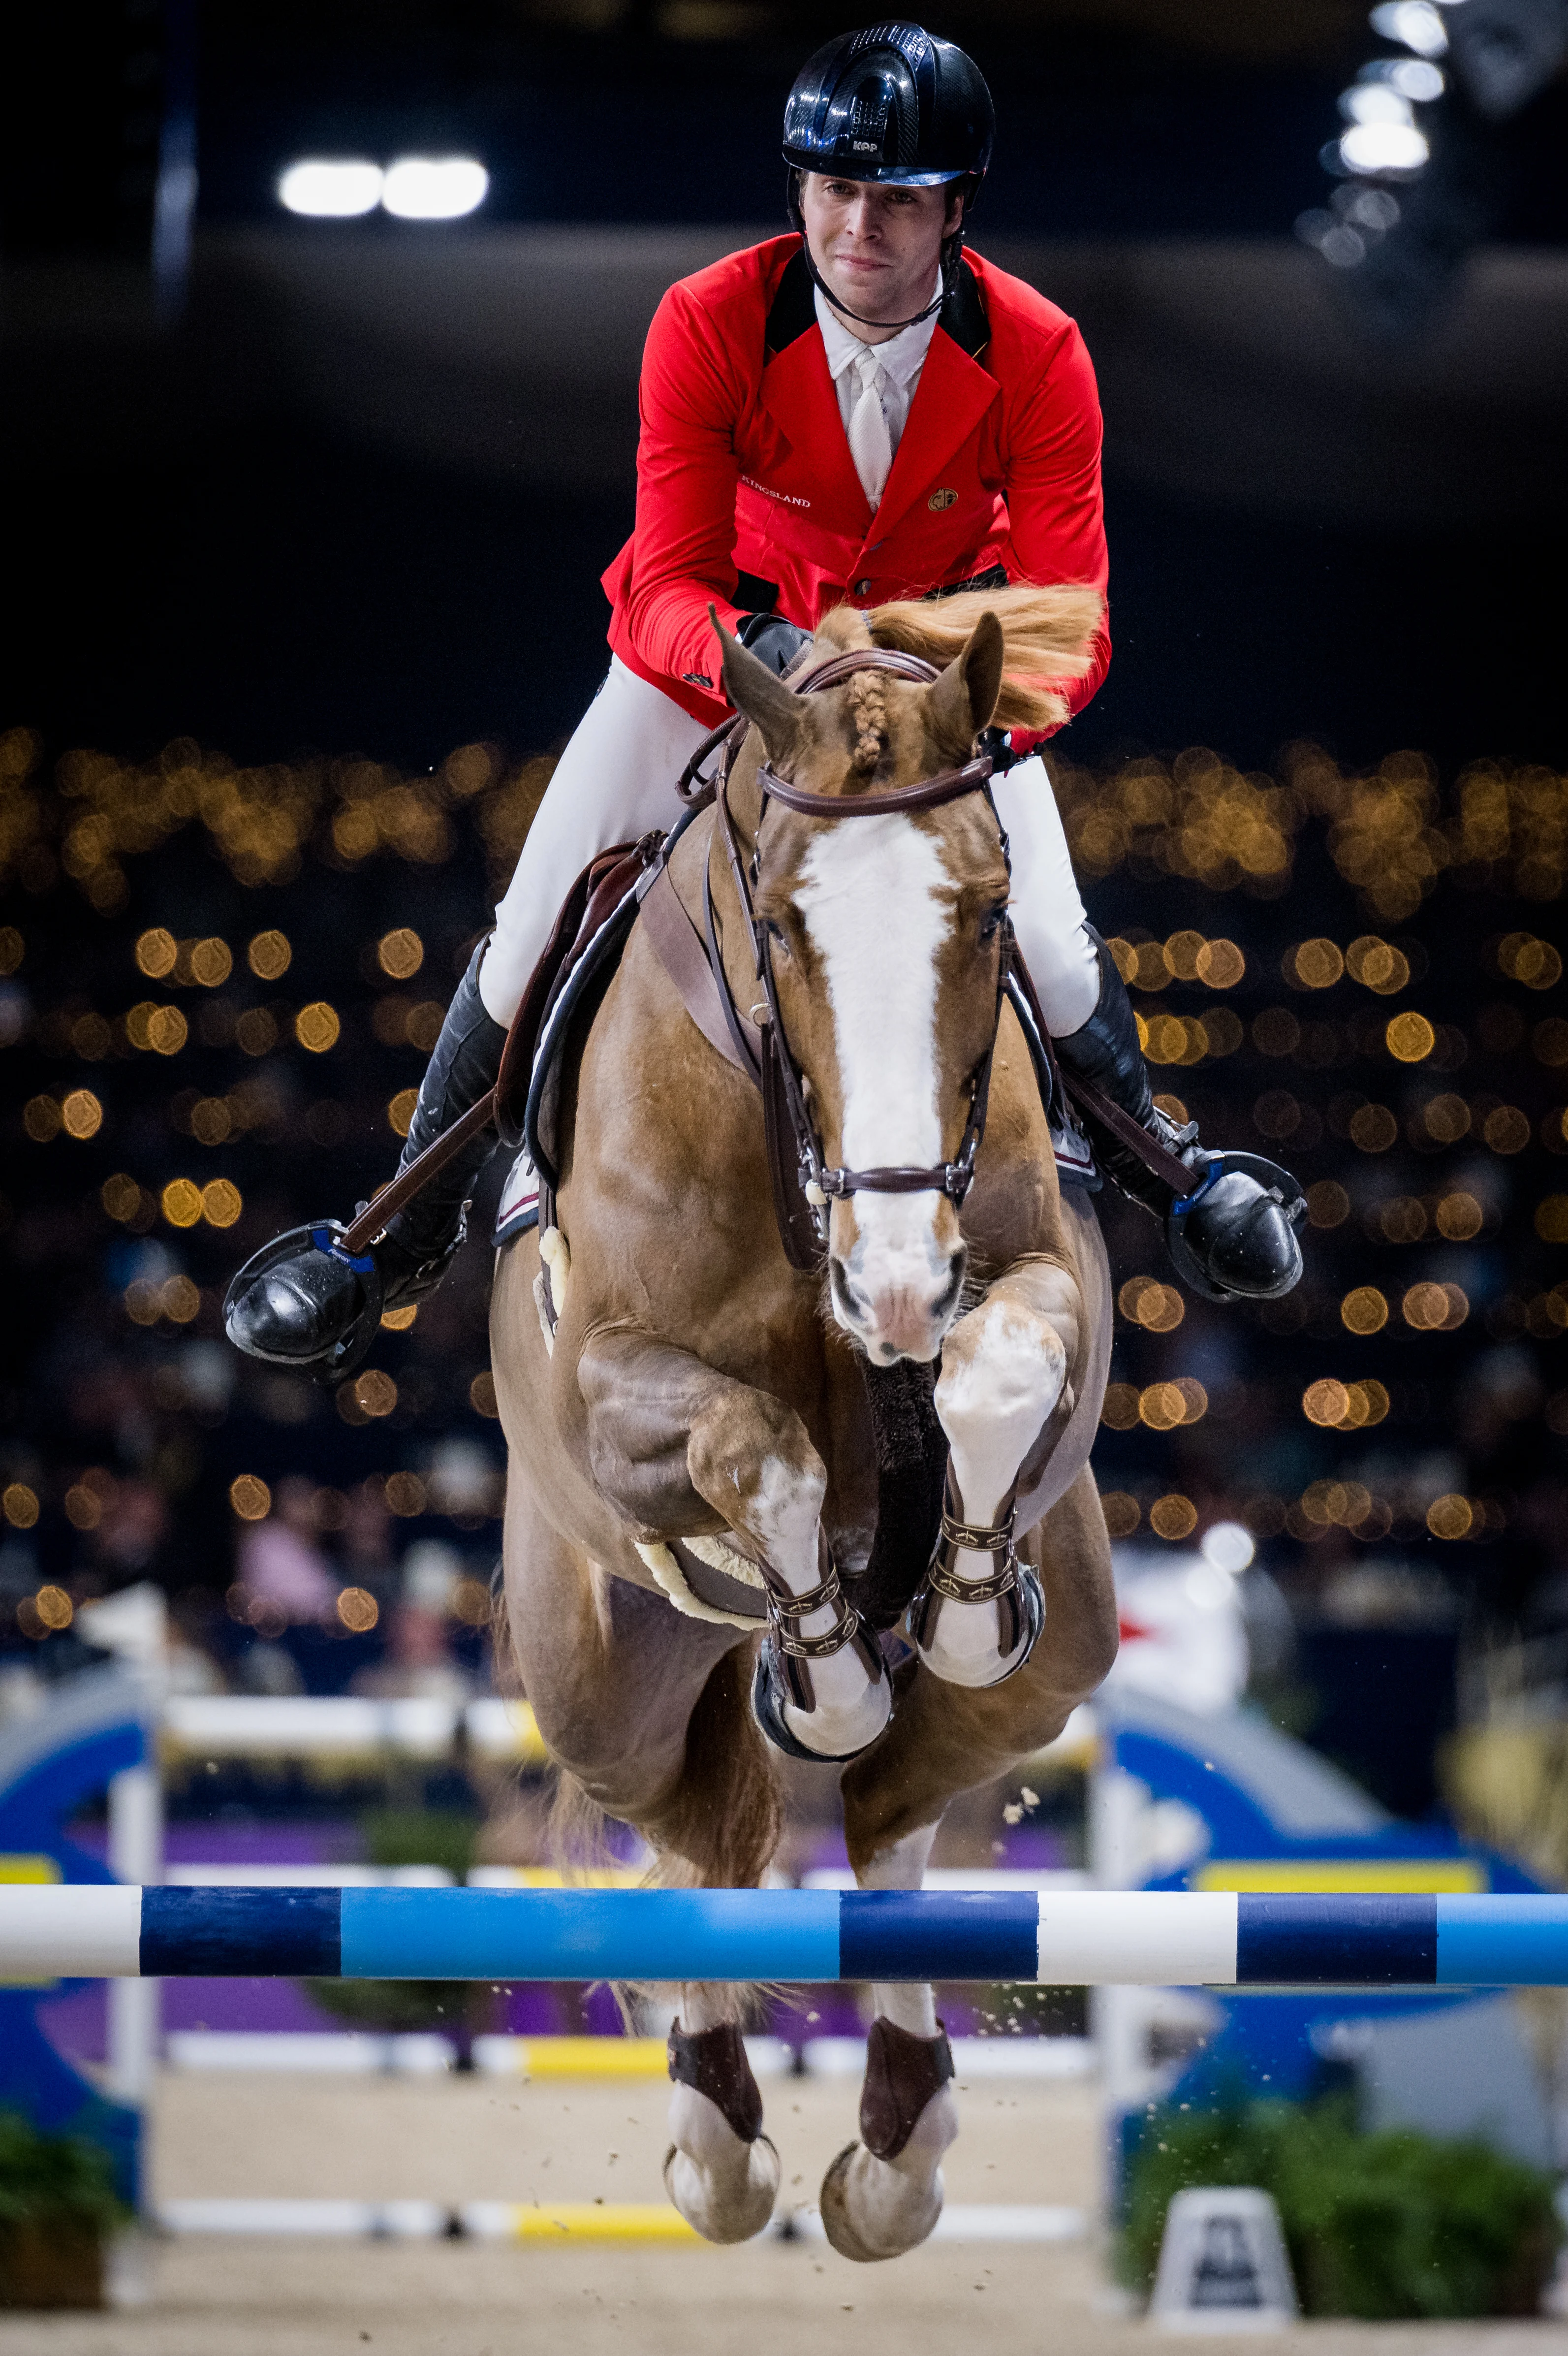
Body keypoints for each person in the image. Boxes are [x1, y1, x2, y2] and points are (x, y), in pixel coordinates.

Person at [225, 22, 1302, 1377]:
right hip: (711, 675)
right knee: (527, 928)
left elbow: (1071, 621)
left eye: (898, 198)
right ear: (799, 193)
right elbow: (664, 581)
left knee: (1060, 944)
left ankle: (1175, 1175)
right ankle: (393, 1234)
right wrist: (782, 665)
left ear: (953, 211)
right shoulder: (711, 319)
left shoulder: (1041, 352)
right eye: (836, 190)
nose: (861, 224)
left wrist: (943, 718)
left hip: (932, 714)